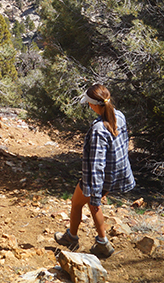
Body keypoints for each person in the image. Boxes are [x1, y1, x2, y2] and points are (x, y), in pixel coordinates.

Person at [54, 84, 135, 259]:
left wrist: (97, 192)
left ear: (92, 105)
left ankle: (86, 240)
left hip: (99, 178)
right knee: (88, 203)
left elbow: (97, 164)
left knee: (80, 203)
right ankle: (90, 240)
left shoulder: (99, 129)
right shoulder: (119, 116)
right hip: (116, 173)